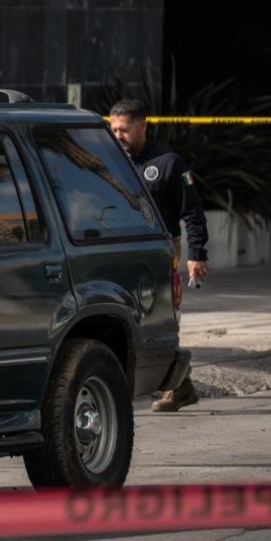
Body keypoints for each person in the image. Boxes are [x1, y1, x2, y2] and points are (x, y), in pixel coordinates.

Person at [109, 98, 208, 412]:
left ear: (143, 126)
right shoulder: (110, 160)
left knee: (160, 317)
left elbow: (192, 211)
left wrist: (197, 254)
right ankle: (182, 385)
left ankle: (178, 384)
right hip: (119, 250)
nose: (118, 135)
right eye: (113, 129)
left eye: (124, 129)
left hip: (160, 251)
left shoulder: (168, 163)